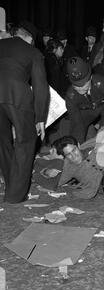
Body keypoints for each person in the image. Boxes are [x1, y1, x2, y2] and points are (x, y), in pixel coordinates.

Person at [0, 20, 49, 203]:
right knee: (26, 141)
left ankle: (11, 181)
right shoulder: (33, 52)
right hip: (17, 97)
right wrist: (40, 118)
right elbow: (40, 87)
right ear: (29, 38)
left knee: (2, 141)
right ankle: (14, 196)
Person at [65, 56, 104, 144]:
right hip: (87, 109)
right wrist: (76, 145)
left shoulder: (102, 84)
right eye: (77, 86)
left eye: (84, 84)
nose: (81, 89)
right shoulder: (71, 97)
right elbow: (77, 123)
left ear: (90, 77)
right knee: (76, 137)